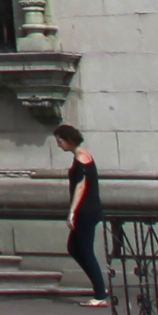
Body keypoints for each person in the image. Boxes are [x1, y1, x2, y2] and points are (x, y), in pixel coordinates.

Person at [55, 122, 107, 305]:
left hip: (85, 210)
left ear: (68, 140)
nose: (58, 145)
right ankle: (99, 288)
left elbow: (81, 185)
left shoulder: (81, 158)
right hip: (89, 209)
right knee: (75, 248)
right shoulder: (83, 154)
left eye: (60, 141)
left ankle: (100, 294)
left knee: (84, 250)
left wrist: (72, 212)